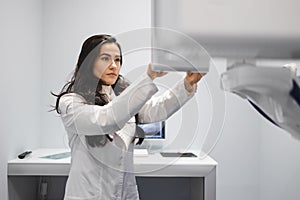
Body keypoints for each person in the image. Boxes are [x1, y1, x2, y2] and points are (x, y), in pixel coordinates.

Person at [52, 34, 205, 200]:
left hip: (125, 194)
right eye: (105, 58)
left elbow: (155, 110)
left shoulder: (120, 97)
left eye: (117, 60)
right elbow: (107, 119)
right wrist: (149, 77)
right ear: (88, 63)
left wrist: (187, 83)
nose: (113, 65)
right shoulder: (71, 103)